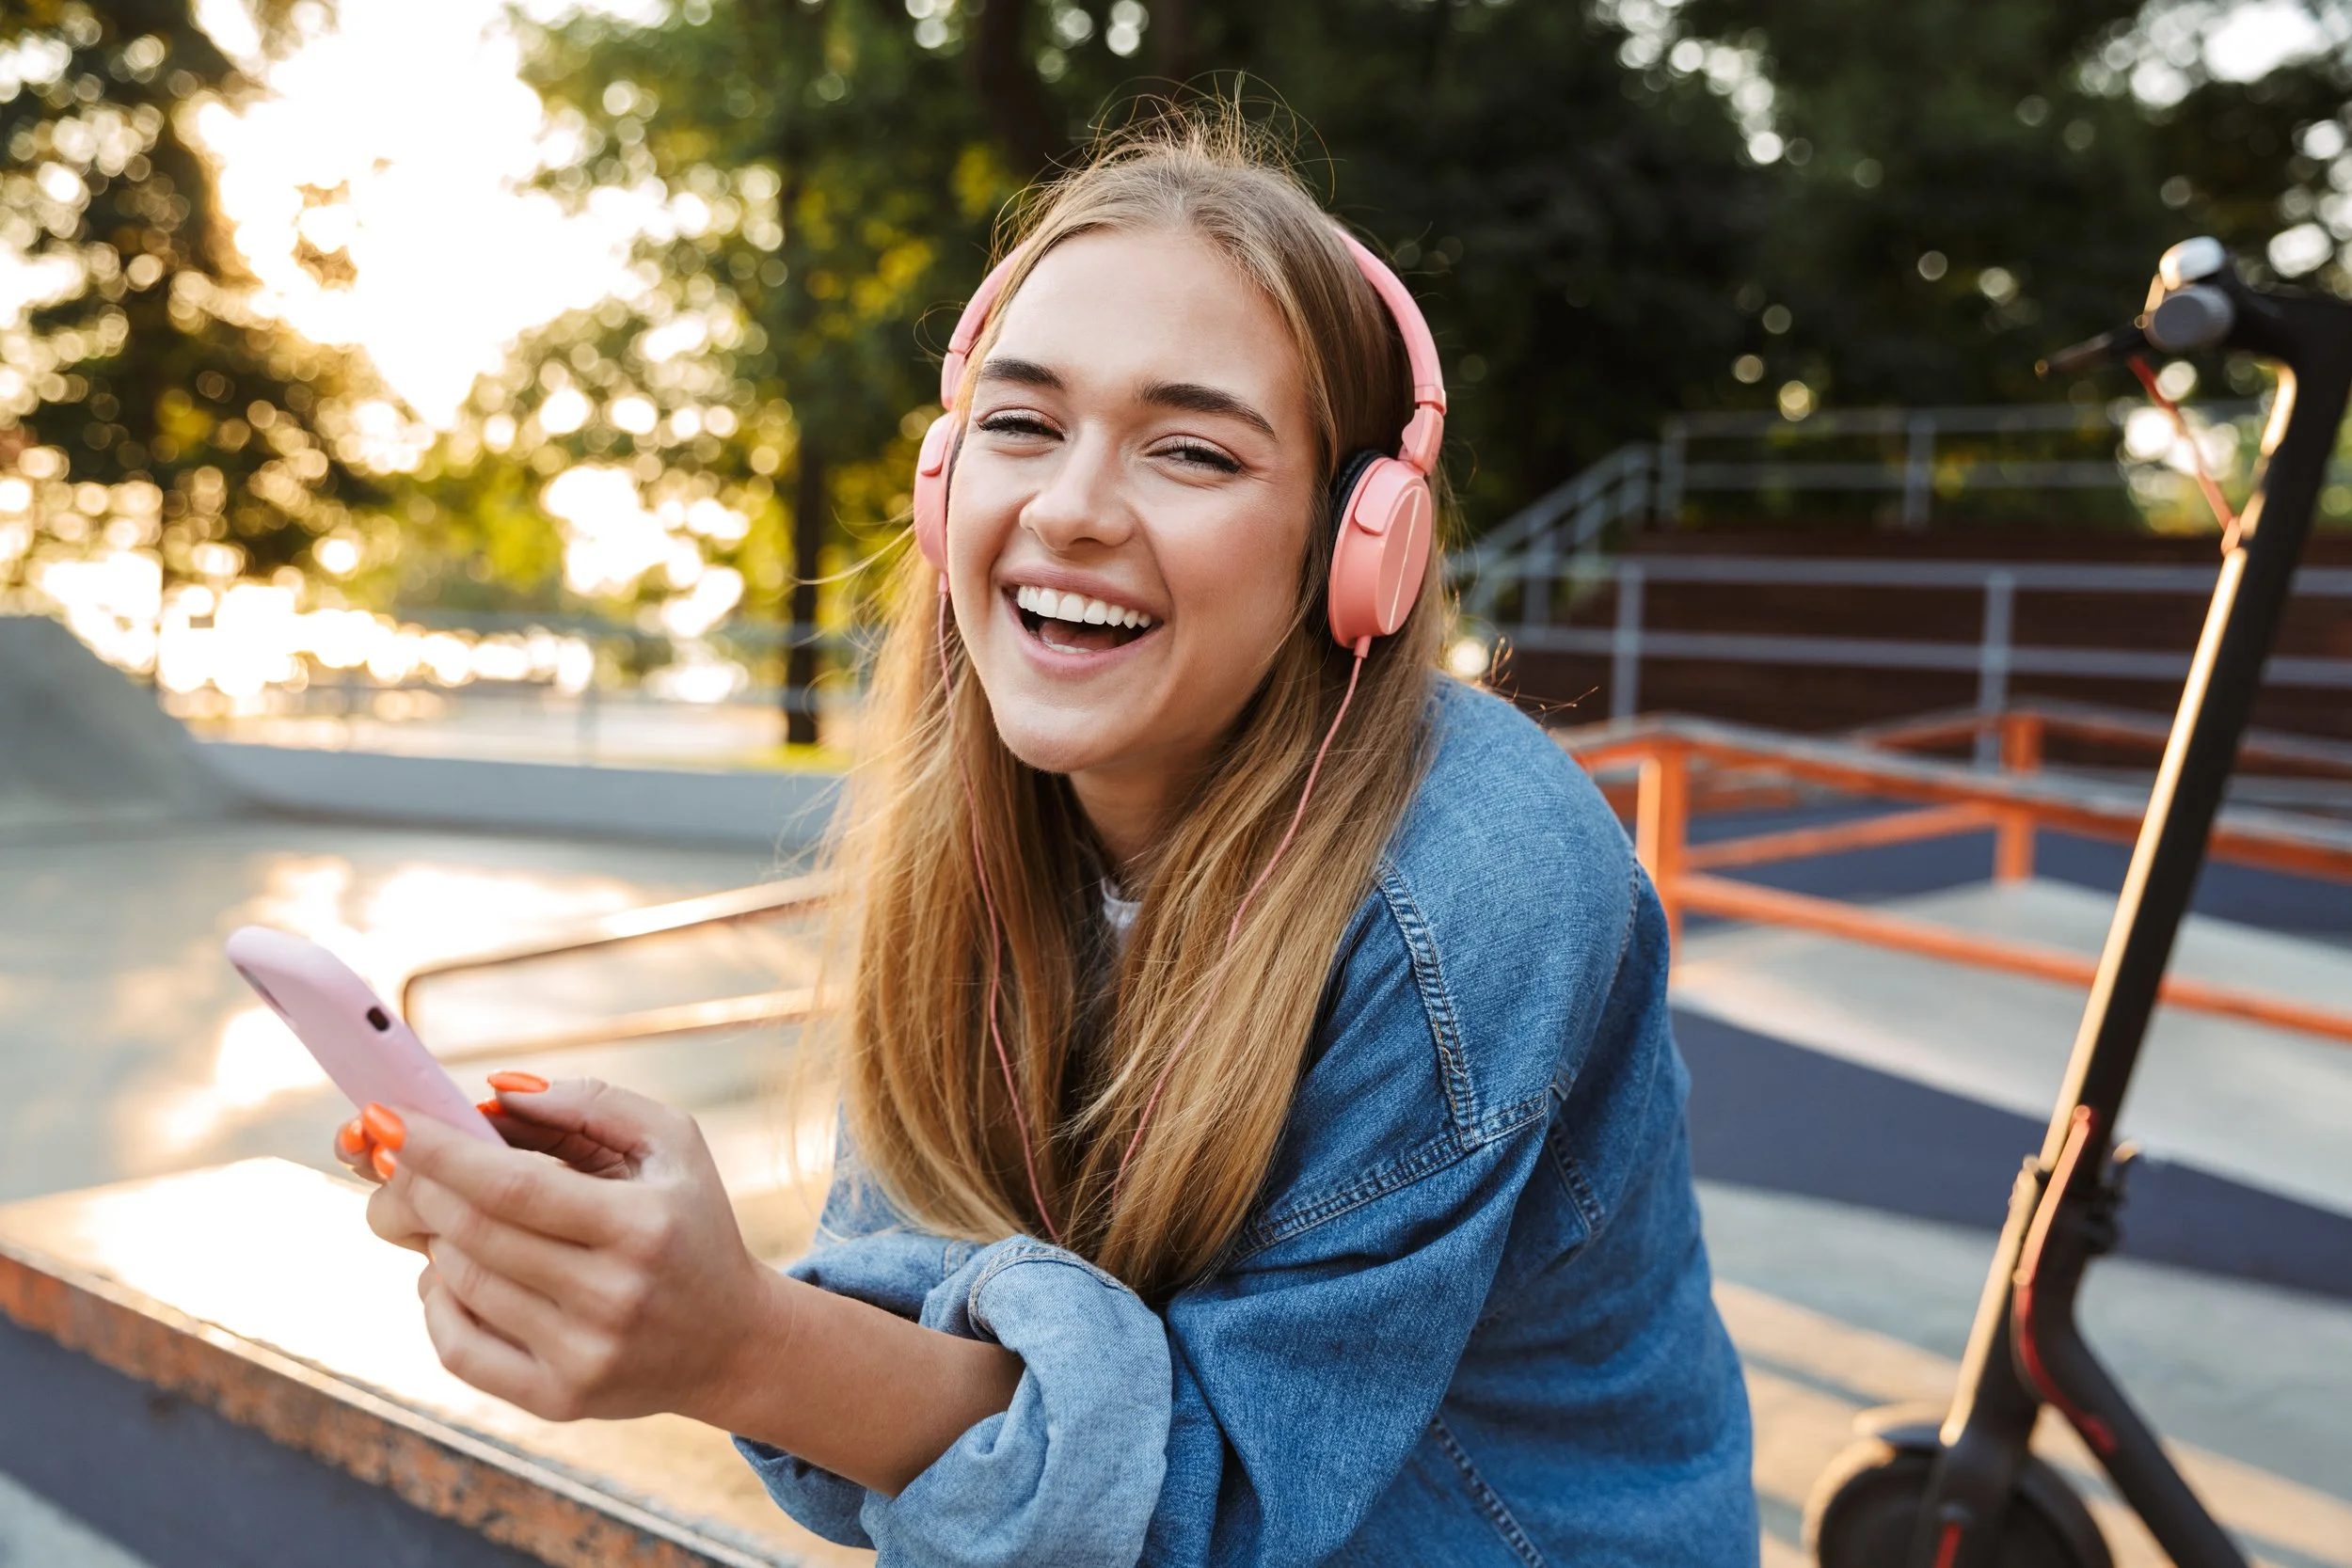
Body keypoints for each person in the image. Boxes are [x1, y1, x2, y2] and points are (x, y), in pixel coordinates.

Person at [341, 109, 1757, 1566]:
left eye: (1192, 451)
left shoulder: (1479, 885)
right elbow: (930, 1383)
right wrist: (665, 1282)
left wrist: (739, 1344)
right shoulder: (987, 827)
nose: (1070, 509)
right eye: (1022, 423)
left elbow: (1204, 1512)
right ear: (945, 482)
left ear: (1359, 547)